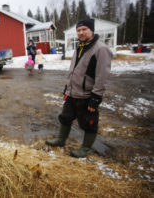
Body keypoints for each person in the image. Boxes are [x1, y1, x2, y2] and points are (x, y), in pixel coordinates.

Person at [45, 18, 113, 158]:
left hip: (87, 95)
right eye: (78, 30)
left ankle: (86, 148)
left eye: (84, 29)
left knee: (89, 123)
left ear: (91, 30)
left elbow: (102, 76)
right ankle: (61, 140)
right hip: (72, 93)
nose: (81, 32)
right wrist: (67, 88)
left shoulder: (101, 49)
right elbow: (75, 70)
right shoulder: (80, 46)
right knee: (65, 117)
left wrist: (96, 97)